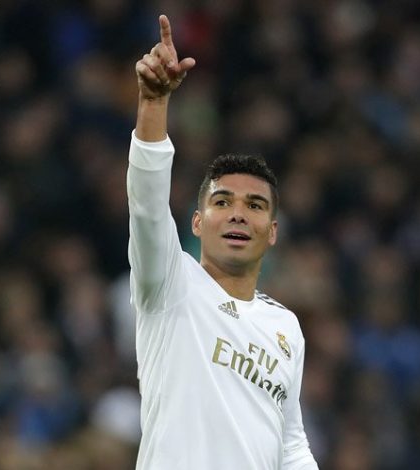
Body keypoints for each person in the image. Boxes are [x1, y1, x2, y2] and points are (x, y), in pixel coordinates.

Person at [127, 14, 319, 470]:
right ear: (197, 222)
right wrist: (153, 103)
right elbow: (147, 206)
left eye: (255, 205)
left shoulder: (286, 328)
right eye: (223, 201)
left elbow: (291, 444)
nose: (238, 213)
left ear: (272, 232)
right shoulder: (170, 285)